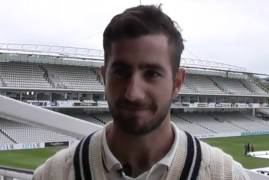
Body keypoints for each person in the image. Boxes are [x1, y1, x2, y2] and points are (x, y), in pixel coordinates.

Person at [33, 5, 250, 180]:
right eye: (121, 72)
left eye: (152, 73)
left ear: (177, 82)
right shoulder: (52, 175)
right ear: (104, 77)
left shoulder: (225, 174)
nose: (133, 93)